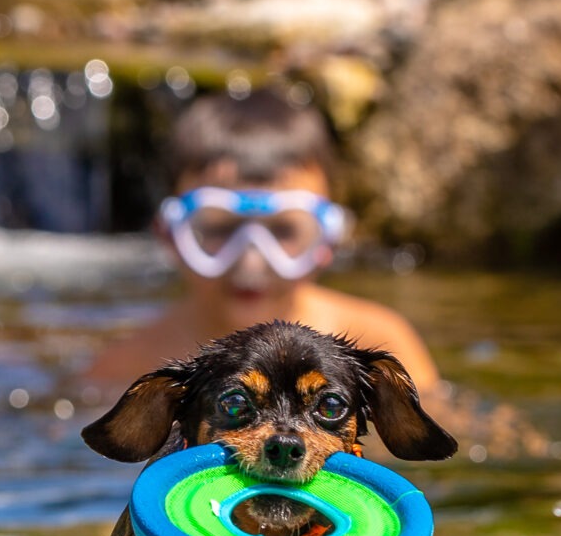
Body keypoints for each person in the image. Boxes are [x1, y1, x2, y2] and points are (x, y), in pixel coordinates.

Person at [79, 92, 486, 443]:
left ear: (328, 241)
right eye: (219, 228)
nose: (251, 259)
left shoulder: (380, 336)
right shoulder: (128, 363)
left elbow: (450, 438)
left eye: (285, 231)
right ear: (168, 236)